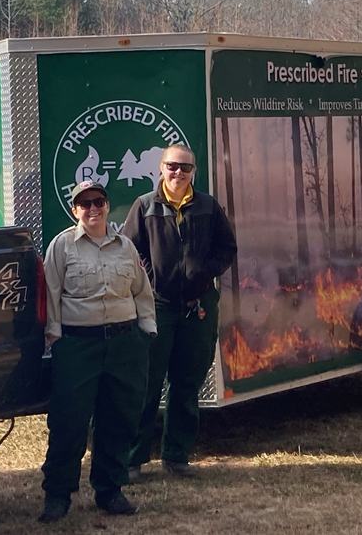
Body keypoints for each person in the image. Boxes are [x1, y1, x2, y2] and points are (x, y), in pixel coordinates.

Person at [38, 180, 157, 524]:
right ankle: (58, 495)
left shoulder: (125, 247)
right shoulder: (62, 247)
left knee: (119, 419)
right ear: (75, 209)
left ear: (107, 206)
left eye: (99, 202)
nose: (93, 209)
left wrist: (146, 329)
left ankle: (110, 490)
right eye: (85, 204)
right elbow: (52, 294)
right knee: (69, 423)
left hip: (124, 344)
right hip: (78, 345)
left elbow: (141, 290)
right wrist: (55, 337)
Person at [123, 144, 237, 480]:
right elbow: (130, 251)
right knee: (146, 382)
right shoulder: (144, 207)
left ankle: (177, 456)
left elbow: (227, 248)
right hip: (156, 305)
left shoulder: (207, 206)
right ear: (160, 168)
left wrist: (205, 272)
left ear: (194, 173)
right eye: (172, 166)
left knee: (187, 382)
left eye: (185, 168)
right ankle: (133, 459)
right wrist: (151, 278)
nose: (178, 173)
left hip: (199, 305)